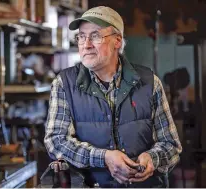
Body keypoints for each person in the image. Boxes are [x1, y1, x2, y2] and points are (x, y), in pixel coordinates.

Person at [44, 6, 182, 188]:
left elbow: (171, 145)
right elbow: (55, 141)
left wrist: (152, 158)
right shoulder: (64, 84)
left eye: (95, 36)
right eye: (81, 36)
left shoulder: (149, 82)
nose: (86, 45)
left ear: (117, 41)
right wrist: (104, 157)